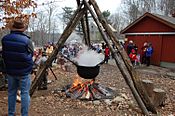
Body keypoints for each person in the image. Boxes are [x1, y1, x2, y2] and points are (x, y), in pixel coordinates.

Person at [1, 19, 34, 116]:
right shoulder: (27, 40)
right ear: (22, 29)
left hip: (11, 71)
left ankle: (11, 114)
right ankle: (24, 114)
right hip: (24, 72)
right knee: (24, 93)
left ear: (13, 28)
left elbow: (4, 54)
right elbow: (31, 54)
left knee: (11, 93)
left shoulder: (5, 39)